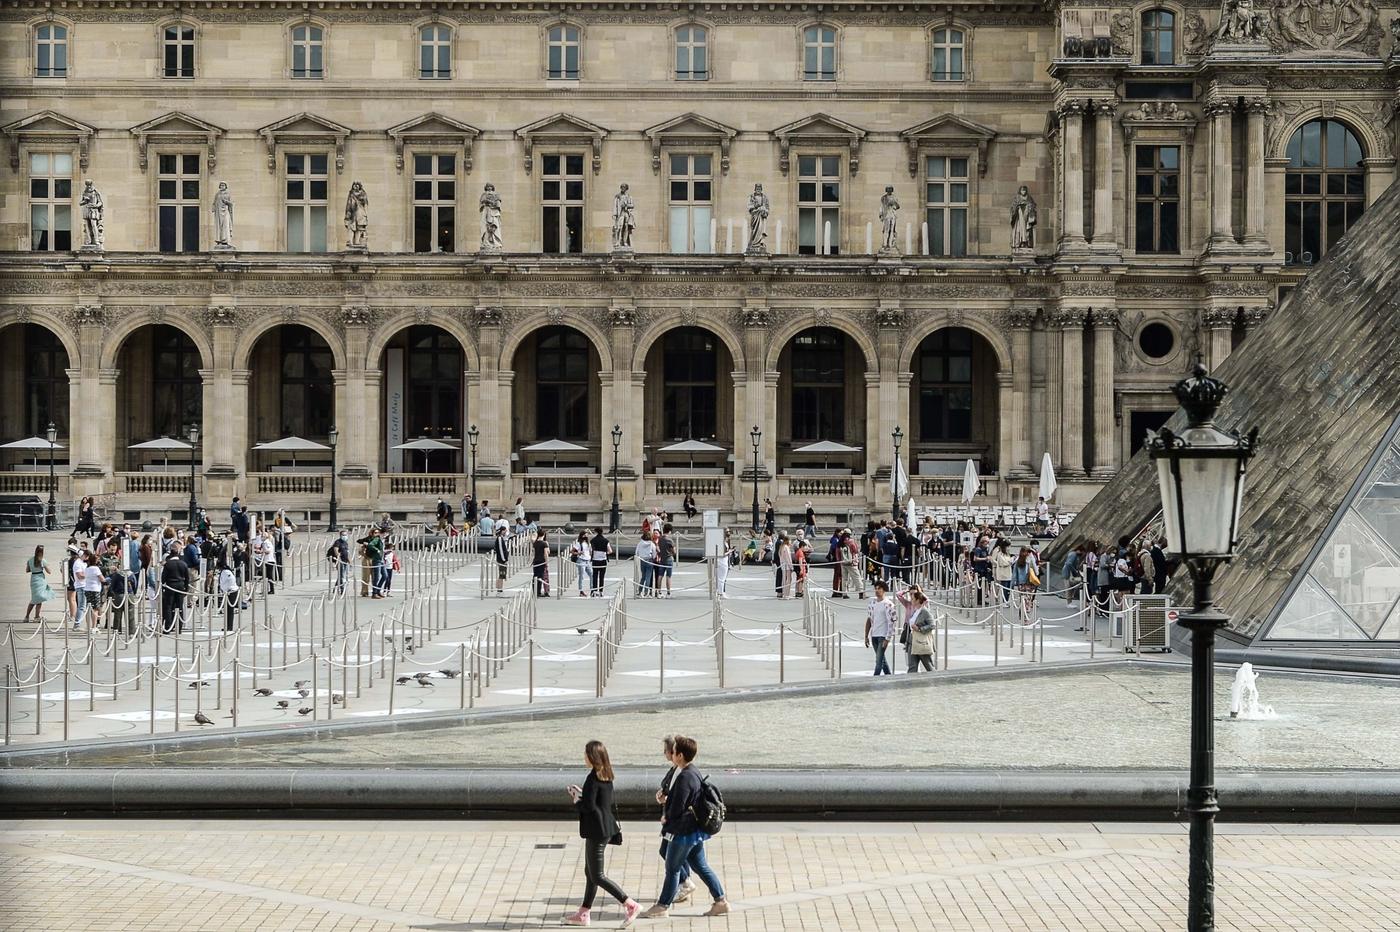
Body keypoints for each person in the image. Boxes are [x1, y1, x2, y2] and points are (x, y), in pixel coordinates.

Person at [640, 735, 729, 919]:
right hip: (694, 830)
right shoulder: (692, 771)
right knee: (700, 865)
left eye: (673, 752)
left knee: (672, 869)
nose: (671, 754)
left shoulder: (685, 778)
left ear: (679, 755)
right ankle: (720, 901)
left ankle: (662, 906)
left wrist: (666, 817)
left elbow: (677, 808)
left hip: (683, 832)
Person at [563, 741, 641, 927]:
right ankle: (583, 913)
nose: (584, 756)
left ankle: (629, 904)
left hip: (596, 830)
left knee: (597, 875)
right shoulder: (607, 775)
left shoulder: (592, 778)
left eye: (586, 753)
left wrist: (576, 800)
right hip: (606, 827)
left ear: (592, 757)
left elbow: (588, 807)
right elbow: (598, 801)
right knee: (590, 872)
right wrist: (584, 795)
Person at [654, 736, 695, 903]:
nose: (664, 753)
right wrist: (662, 795)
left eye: (666, 750)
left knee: (670, 858)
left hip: (677, 824)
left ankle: (683, 885)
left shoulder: (683, 773)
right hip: (675, 822)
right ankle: (686, 884)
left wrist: (667, 812)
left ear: (675, 753)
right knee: (690, 860)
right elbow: (670, 790)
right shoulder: (675, 769)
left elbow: (679, 798)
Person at [899, 587, 936, 672]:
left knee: (929, 666)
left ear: (918, 600)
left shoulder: (924, 611)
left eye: (913, 599)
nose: (911, 600)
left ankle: (936, 681)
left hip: (921, 642)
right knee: (912, 667)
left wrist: (920, 628)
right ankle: (910, 684)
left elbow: (932, 625)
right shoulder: (915, 611)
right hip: (912, 641)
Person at [865, 580, 897, 676]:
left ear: (884, 590)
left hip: (883, 636)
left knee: (878, 661)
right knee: (881, 659)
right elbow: (869, 620)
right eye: (876, 588)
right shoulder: (872, 603)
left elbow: (892, 622)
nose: (877, 590)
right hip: (874, 635)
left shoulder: (889, 604)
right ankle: (889, 675)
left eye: (879, 588)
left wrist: (888, 638)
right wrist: (866, 636)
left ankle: (875, 678)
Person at [160, 549, 188, 634]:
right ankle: (179, 627)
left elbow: (163, 578)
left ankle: (168, 626)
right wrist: (186, 589)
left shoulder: (168, 565)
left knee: (168, 606)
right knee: (179, 606)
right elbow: (187, 578)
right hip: (180, 585)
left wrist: (162, 587)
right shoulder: (183, 564)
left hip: (170, 585)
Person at [24, 545, 53, 623]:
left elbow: (27, 570)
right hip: (40, 579)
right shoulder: (42, 560)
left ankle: (27, 616)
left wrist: (34, 568)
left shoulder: (30, 560)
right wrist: (44, 567)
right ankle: (36, 617)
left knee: (34, 598)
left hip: (33, 578)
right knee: (39, 599)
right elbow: (49, 572)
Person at [590, 528, 612, 597]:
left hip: (595, 560)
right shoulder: (606, 541)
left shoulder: (593, 541)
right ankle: (601, 591)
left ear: (596, 532)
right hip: (603, 560)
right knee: (602, 577)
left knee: (595, 576)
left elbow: (590, 551)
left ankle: (594, 591)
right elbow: (610, 551)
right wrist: (605, 553)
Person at [218, 562, 239, 631]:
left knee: (230, 610)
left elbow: (230, 580)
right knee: (227, 610)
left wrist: (226, 589)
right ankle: (227, 626)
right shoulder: (224, 572)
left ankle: (230, 627)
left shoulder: (226, 572)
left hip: (231, 592)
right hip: (227, 592)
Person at [656, 525, 676, 598]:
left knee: (660, 575)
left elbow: (658, 547)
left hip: (662, 558)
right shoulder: (669, 540)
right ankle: (668, 593)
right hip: (669, 559)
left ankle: (659, 592)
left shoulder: (660, 539)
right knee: (668, 576)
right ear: (669, 531)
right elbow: (674, 552)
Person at [636, 531, 657, 598]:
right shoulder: (651, 544)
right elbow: (654, 553)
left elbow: (637, 552)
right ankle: (646, 592)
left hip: (642, 560)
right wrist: (653, 558)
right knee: (648, 577)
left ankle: (639, 591)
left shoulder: (640, 543)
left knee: (643, 576)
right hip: (649, 560)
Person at [572, 531, 591, 596]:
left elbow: (589, 550)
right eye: (586, 535)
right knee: (582, 576)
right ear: (582, 536)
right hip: (581, 560)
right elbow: (572, 551)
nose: (587, 536)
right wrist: (578, 553)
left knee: (591, 574)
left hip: (587, 560)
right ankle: (581, 590)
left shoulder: (587, 542)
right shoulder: (578, 543)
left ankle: (592, 589)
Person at [532, 528, 550, 597]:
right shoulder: (544, 543)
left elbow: (533, 553)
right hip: (541, 561)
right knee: (540, 576)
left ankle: (535, 591)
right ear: (544, 534)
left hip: (535, 561)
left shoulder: (535, 543)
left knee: (535, 576)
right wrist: (546, 562)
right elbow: (545, 553)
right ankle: (538, 592)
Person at [773, 534, 792, 599]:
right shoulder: (786, 547)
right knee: (788, 579)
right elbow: (788, 557)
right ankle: (787, 594)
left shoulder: (781, 547)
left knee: (783, 579)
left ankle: (784, 593)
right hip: (786, 564)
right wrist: (791, 566)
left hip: (782, 564)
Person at [494, 524, 510, 596]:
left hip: (501, 558)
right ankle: (499, 590)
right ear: (502, 531)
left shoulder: (501, 538)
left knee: (502, 574)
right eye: (505, 531)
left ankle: (499, 589)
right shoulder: (500, 538)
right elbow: (500, 549)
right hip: (501, 559)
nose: (505, 532)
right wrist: (504, 559)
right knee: (501, 574)